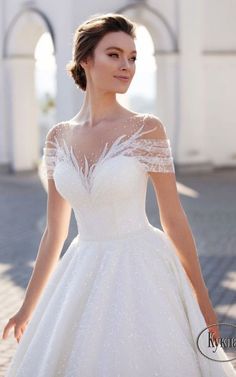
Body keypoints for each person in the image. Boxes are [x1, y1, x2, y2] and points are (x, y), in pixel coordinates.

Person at [2, 12, 236, 377]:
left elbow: (173, 219)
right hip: (81, 271)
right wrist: (26, 308)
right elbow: (54, 232)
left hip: (143, 268)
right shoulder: (57, 138)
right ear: (85, 60)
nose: (126, 65)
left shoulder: (147, 129)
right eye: (114, 54)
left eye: (132, 57)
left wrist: (204, 306)